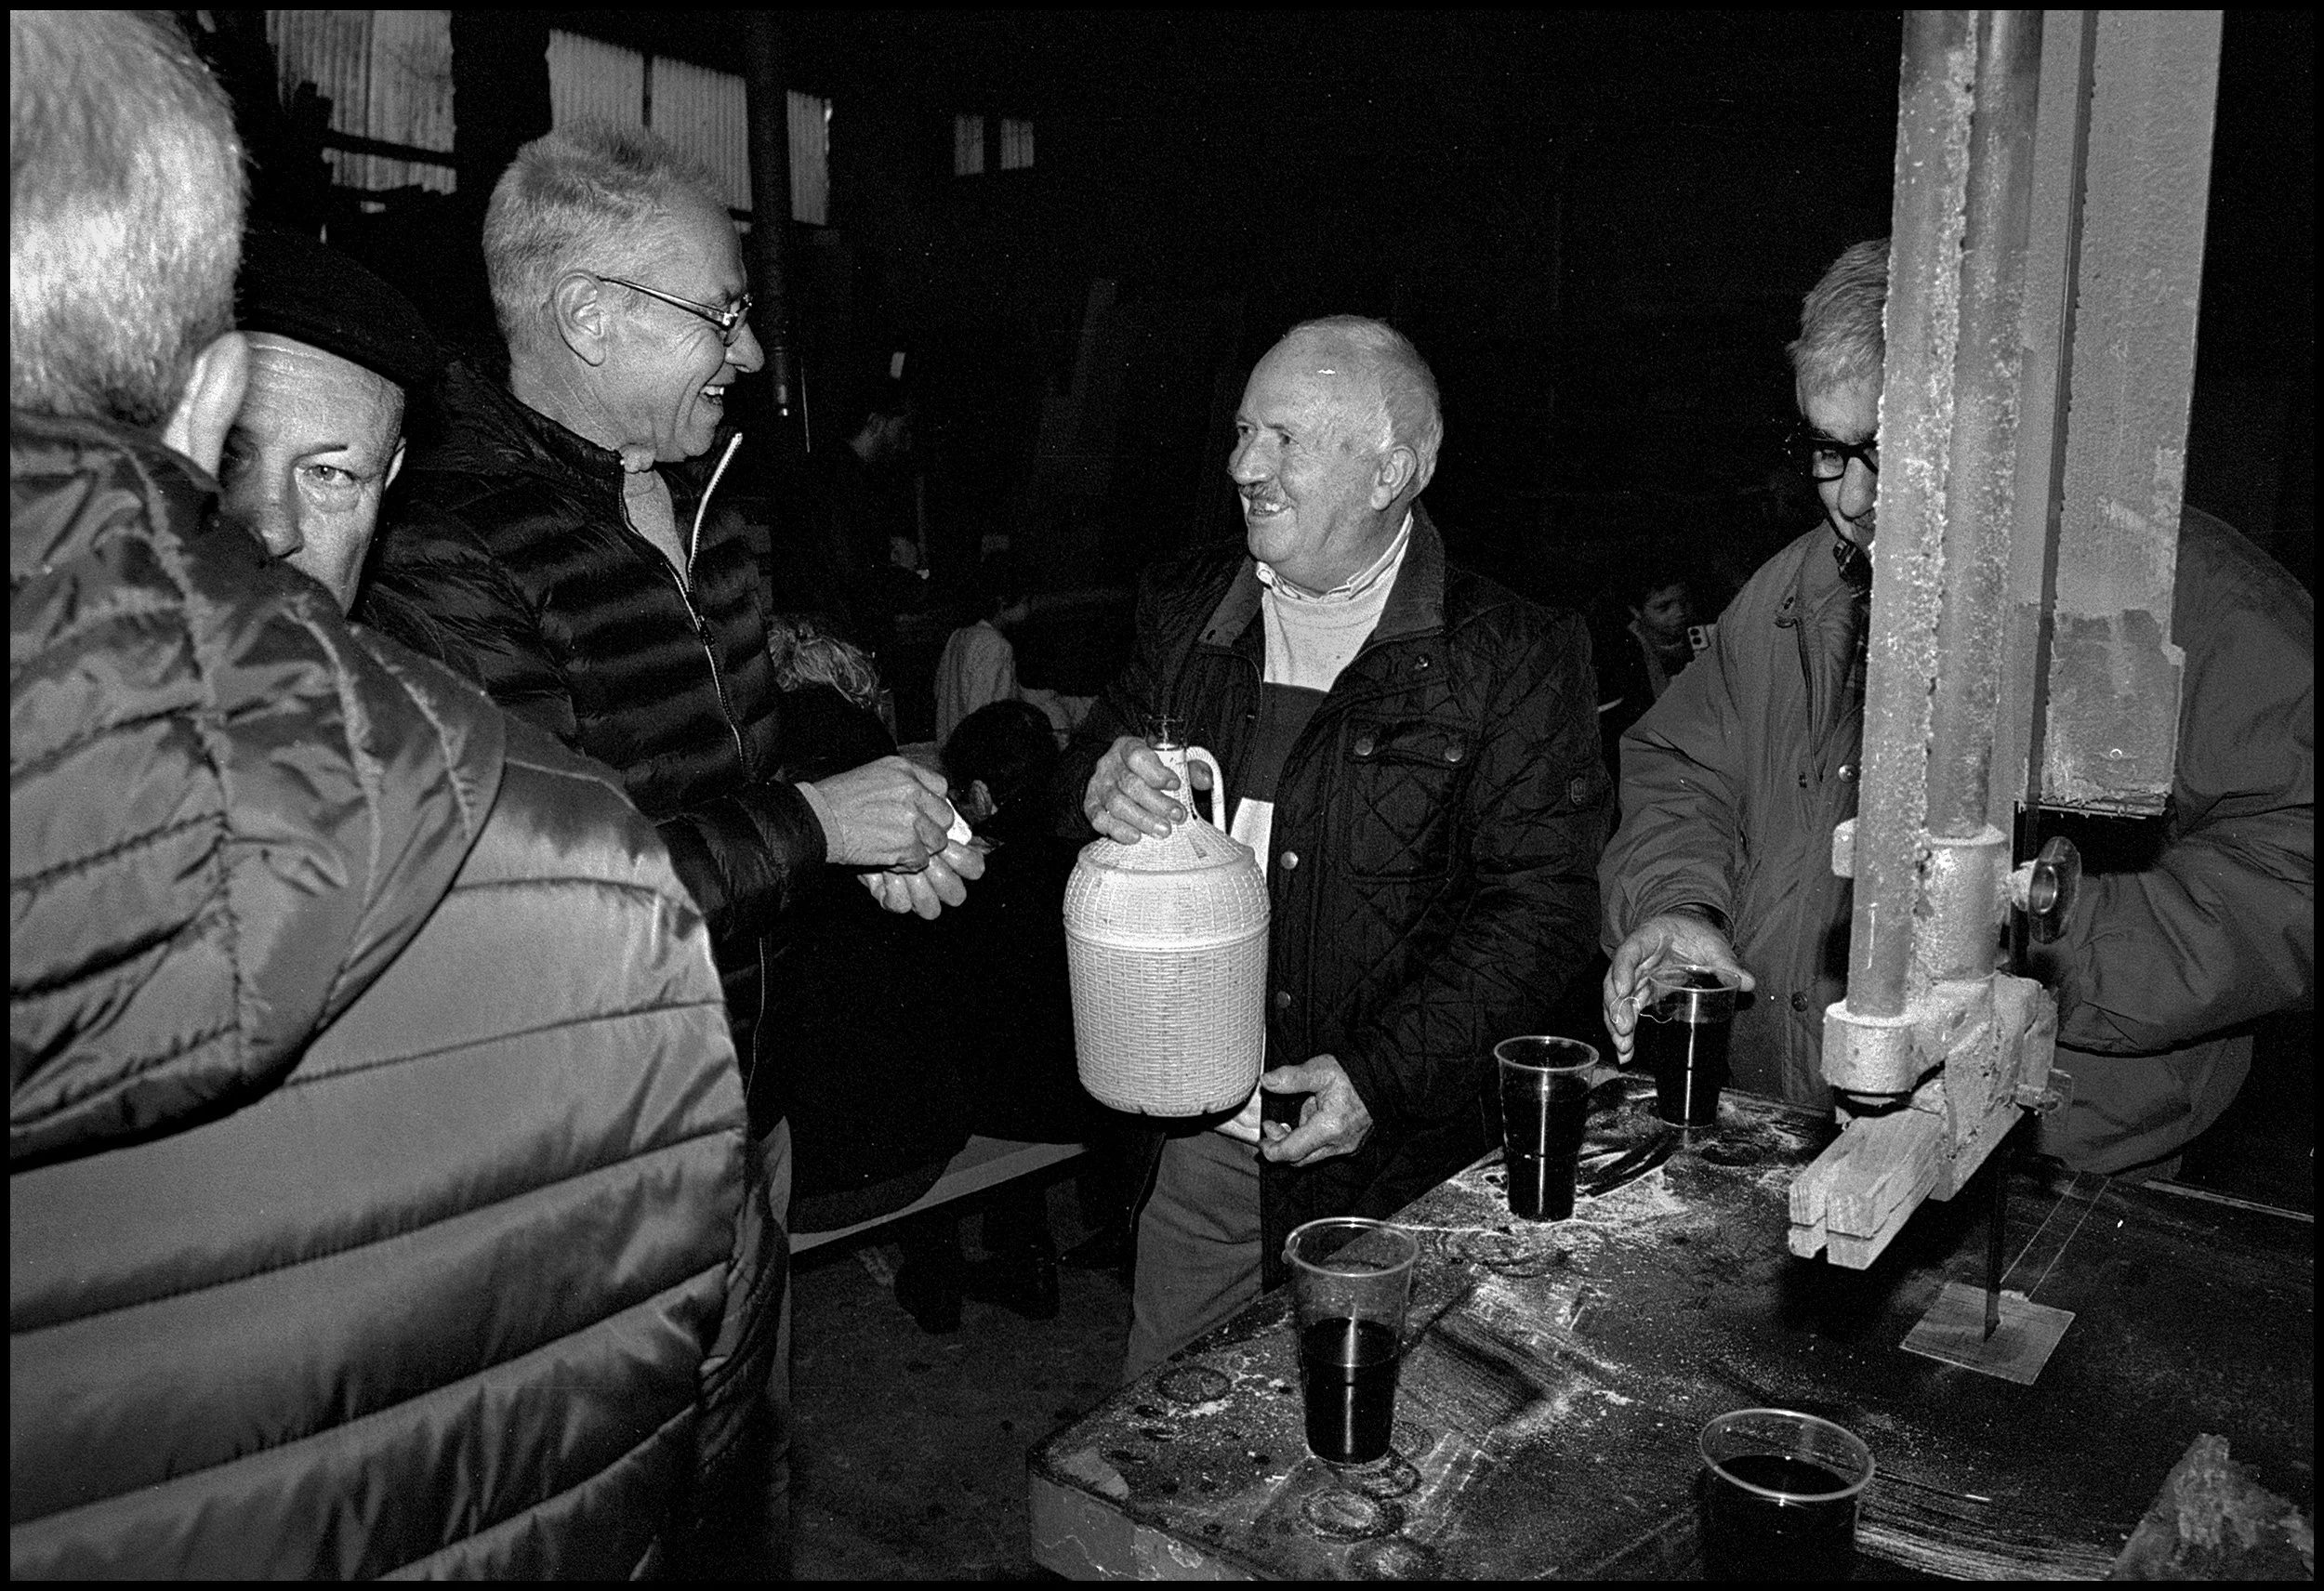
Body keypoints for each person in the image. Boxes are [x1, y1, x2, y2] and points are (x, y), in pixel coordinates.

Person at [11, 11, 776, 1577]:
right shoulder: (472, 611)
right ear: (207, 412)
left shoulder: (717, 514)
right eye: (725, 309)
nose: (751, 348)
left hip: (733, 1096)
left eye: (344, 474)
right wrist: (818, 835)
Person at [1599, 238, 2314, 1179]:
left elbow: (2289, 868)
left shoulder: (2194, 607)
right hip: (1793, 1126)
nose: (1851, 500)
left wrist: (2043, 941)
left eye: (1887, 455)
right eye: (1827, 448)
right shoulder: (1795, 592)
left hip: (2059, 1159)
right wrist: (1677, 904)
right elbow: (1684, 766)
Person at [1072, 316, 1609, 1381]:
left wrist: (1376, 1076)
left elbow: (1541, 912)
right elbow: (1087, 758)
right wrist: (1096, 775)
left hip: (1390, 1166)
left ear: (1390, 472)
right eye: (1239, 432)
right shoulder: (1185, 613)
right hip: (1197, 1157)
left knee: (1371, 1476)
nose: (1241, 467)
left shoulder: (1510, 656)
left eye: (1282, 439)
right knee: (1162, 1455)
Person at [218, 225, 441, 611]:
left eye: (327, 473)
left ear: (389, 475)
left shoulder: (437, 667)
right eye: (228, 457)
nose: (272, 532)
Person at [1591, 559, 1703, 794]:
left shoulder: (1703, 634)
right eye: (1663, 607)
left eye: (1683, 602)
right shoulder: (1621, 653)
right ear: (1636, 611)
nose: (1679, 613)